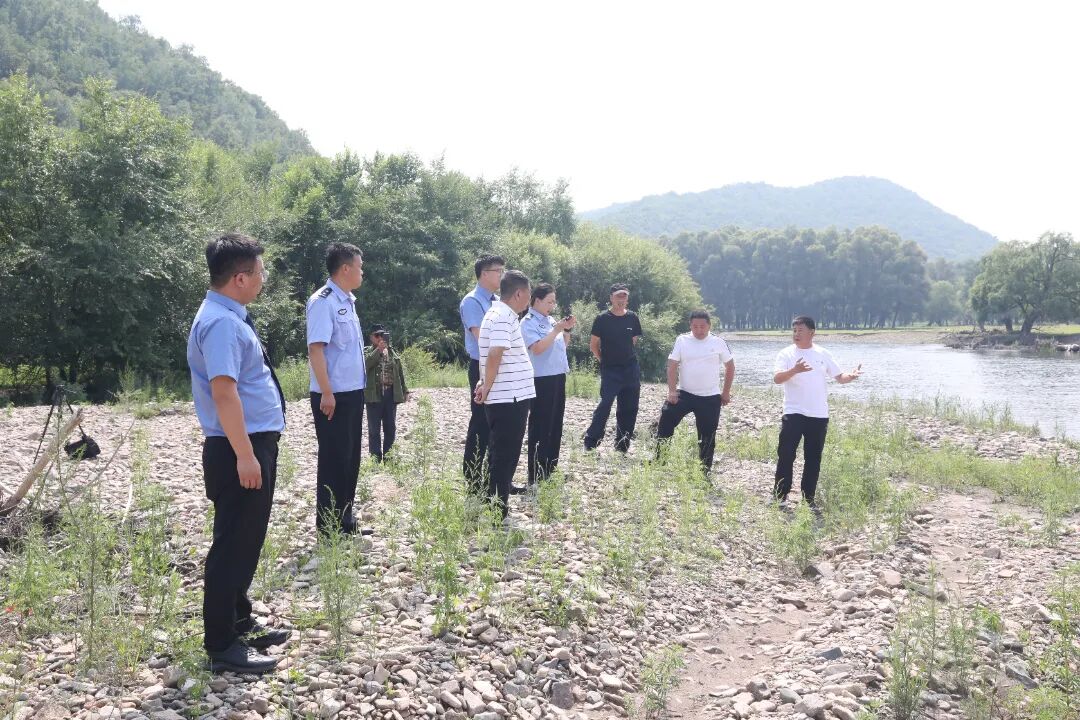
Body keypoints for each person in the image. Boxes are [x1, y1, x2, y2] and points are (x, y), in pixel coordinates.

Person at [187, 232, 288, 674]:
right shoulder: (222, 323)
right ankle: (221, 644)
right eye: (261, 272)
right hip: (237, 447)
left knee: (246, 540)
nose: (264, 279)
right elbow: (224, 393)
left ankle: (239, 620)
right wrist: (245, 455)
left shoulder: (228, 315)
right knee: (232, 545)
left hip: (247, 443)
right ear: (240, 278)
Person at [306, 243, 367, 535]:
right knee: (334, 459)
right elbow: (316, 349)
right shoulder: (323, 301)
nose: (362, 272)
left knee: (350, 458)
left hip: (353, 391)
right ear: (345, 269)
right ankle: (329, 526)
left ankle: (346, 519)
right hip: (333, 395)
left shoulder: (348, 300)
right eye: (359, 267)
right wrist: (327, 392)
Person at [772, 315, 862, 511]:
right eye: (794, 330)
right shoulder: (786, 353)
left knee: (813, 458)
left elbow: (840, 377)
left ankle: (808, 500)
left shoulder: (822, 353)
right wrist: (794, 370)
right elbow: (777, 379)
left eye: (800, 330)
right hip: (793, 411)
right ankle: (780, 496)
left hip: (818, 414)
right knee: (786, 454)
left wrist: (852, 375)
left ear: (812, 332)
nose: (796, 334)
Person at [475, 270, 535, 518]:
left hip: (510, 394)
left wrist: (484, 382)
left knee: (503, 451)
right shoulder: (502, 316)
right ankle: (498, 508)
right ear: (519, 293)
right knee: (504, 453)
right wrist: (487, 386)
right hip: (508, 396)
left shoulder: (500, 314)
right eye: (529, 294)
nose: (529, 300)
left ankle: (497, 502)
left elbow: (492, 354)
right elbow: (495, 353)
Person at [656, 310, 735, 474]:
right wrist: (672, 391)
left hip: (710, 397)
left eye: (702, 326)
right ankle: (660, 459)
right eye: (695, 326)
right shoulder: (682, 340)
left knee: (707, 435)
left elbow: (730, 367)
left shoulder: (718, 342)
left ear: (709, 326)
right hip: (685, 393)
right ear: (690, 326)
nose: (699, 330)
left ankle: (704, 470)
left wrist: (726, 392)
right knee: (667, 416)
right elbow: (672, 365)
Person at [520, 283, 576, 485]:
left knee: (555, 424)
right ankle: (536, 474)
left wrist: (566, 330)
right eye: (549, 302)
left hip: (557, 376)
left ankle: (550, 469)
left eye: (554, 302)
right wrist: (556, 330)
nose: (552, 306)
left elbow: (562, 345)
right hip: (541, 379)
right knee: (540, 425)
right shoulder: (528, 322)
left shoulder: (551, 320)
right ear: (537, 300)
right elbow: (537, 349)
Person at [459, 254, 505, 491]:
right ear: (484, 274)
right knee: (481, 421)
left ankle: (494, 477)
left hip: (499, 366)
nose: (501, 276)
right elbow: (482, 338)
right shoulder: (472, 301)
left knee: (498, 423)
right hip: (481, 366)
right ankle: (473, 478)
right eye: (498, 271)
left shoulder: (497, 301)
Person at [584, 283, 643, 453]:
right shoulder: (602, 318)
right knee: (605, 406)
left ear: (627, 298)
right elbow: (594, 345)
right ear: (611, 298)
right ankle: (591, 443)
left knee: (629, 408)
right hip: (610, 370)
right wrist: (603, 360)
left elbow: (633, 341)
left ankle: (622, 445)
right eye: (618, 296)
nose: (621, 299)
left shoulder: (632, 317)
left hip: (631, 369)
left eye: (624, 296)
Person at [364, 324, 410, 462]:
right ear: (371, 337)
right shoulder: (367, 352)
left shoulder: (392, 352)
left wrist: (405, 390)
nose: (380, 338)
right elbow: (365, 366)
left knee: (390, 428)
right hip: (374, 395)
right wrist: (378, 351)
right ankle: (375, 459)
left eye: (382, 335)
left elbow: (399, 372)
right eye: (377, 335)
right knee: (374, 429)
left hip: (390, 394)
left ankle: (389, 458)